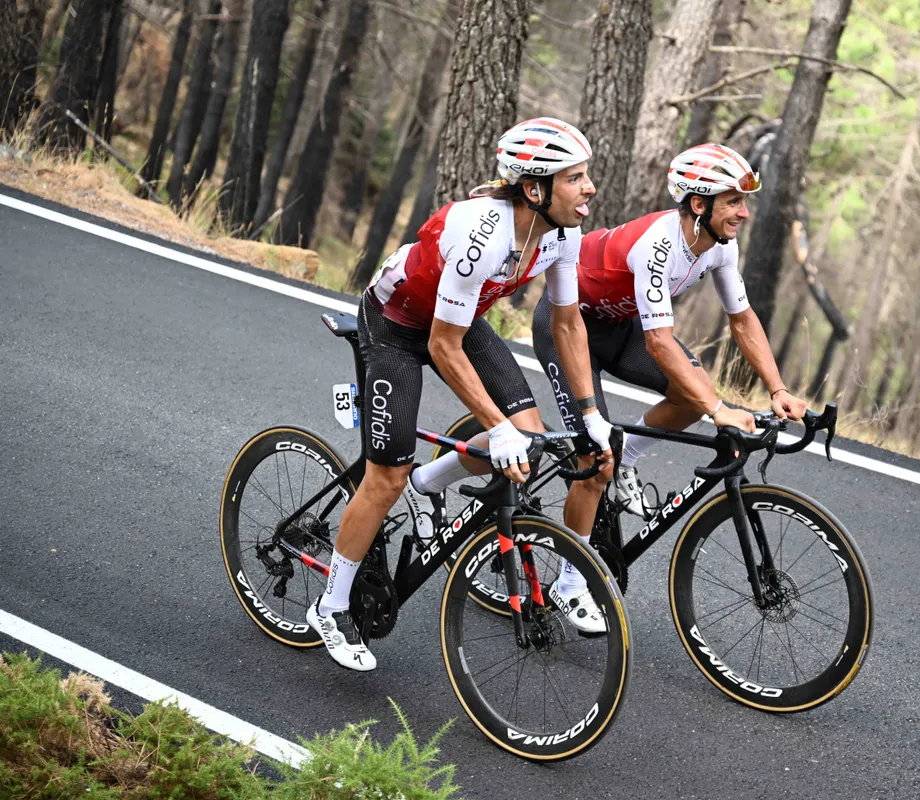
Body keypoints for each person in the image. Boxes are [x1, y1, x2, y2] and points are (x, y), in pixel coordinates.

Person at [307, 118, 615, 672]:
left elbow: (568, 325)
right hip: (397, 325)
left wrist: (590, 411)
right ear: (535, 189)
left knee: (528, 435)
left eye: (586, 175)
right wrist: (493, 429)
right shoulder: (484, 235)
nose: (589, 187)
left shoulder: (562, 235)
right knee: (386, 477)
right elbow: (442, 348)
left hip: (457, 318)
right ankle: (331, 606)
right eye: (576, 178)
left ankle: (430, 482)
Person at [532, 143, 809, 543]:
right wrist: (718, 412)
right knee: (595, 462)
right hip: (568, 327)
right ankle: (570, 579)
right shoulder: (657, 246)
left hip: (618, 326)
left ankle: (627, 456)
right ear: (699, 204)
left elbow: (743, 319)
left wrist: (777, 389)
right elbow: (660, 343)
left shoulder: (721, 247)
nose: (744, 213)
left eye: (744, 202)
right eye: (733, 202)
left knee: (692, 394)